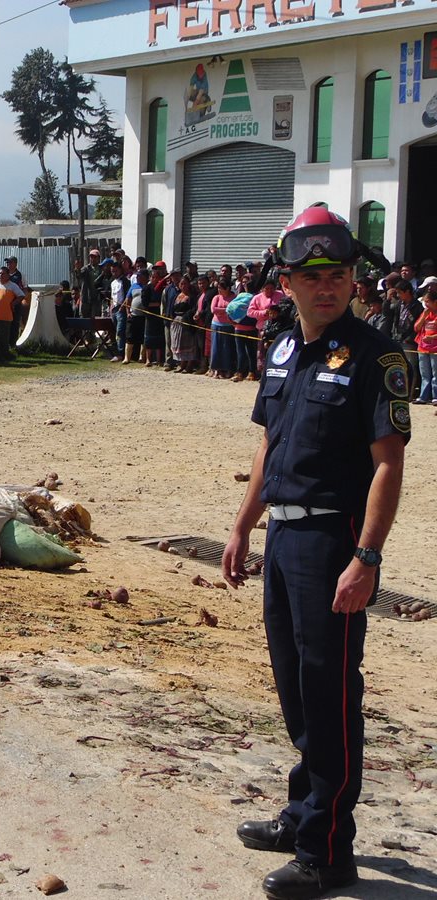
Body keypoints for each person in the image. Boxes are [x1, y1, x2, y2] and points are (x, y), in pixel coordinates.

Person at [222, 206, 409, 900]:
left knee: (330, 694)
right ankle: (304, 811)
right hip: (283, 539)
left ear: (355, 280)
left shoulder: (376, 357)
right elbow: (268, 446)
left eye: (339, 275)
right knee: (296, 688)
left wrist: (368, 557)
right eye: (311, 276)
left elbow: (388, 465)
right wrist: (243, 527)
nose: (327, 287)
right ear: (288, 283)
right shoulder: (279, 349)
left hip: (334, 540)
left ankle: (328, 850)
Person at [413, 276, 437, 404]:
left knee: (435, 374)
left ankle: (435, 396)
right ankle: (423, 396)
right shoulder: (424, 313)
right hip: (422, 347)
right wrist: (424, 317)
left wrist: (432, 337)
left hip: (435, 348)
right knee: (424, 374)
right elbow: (416, 328)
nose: (426, 304)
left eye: (428, 301)